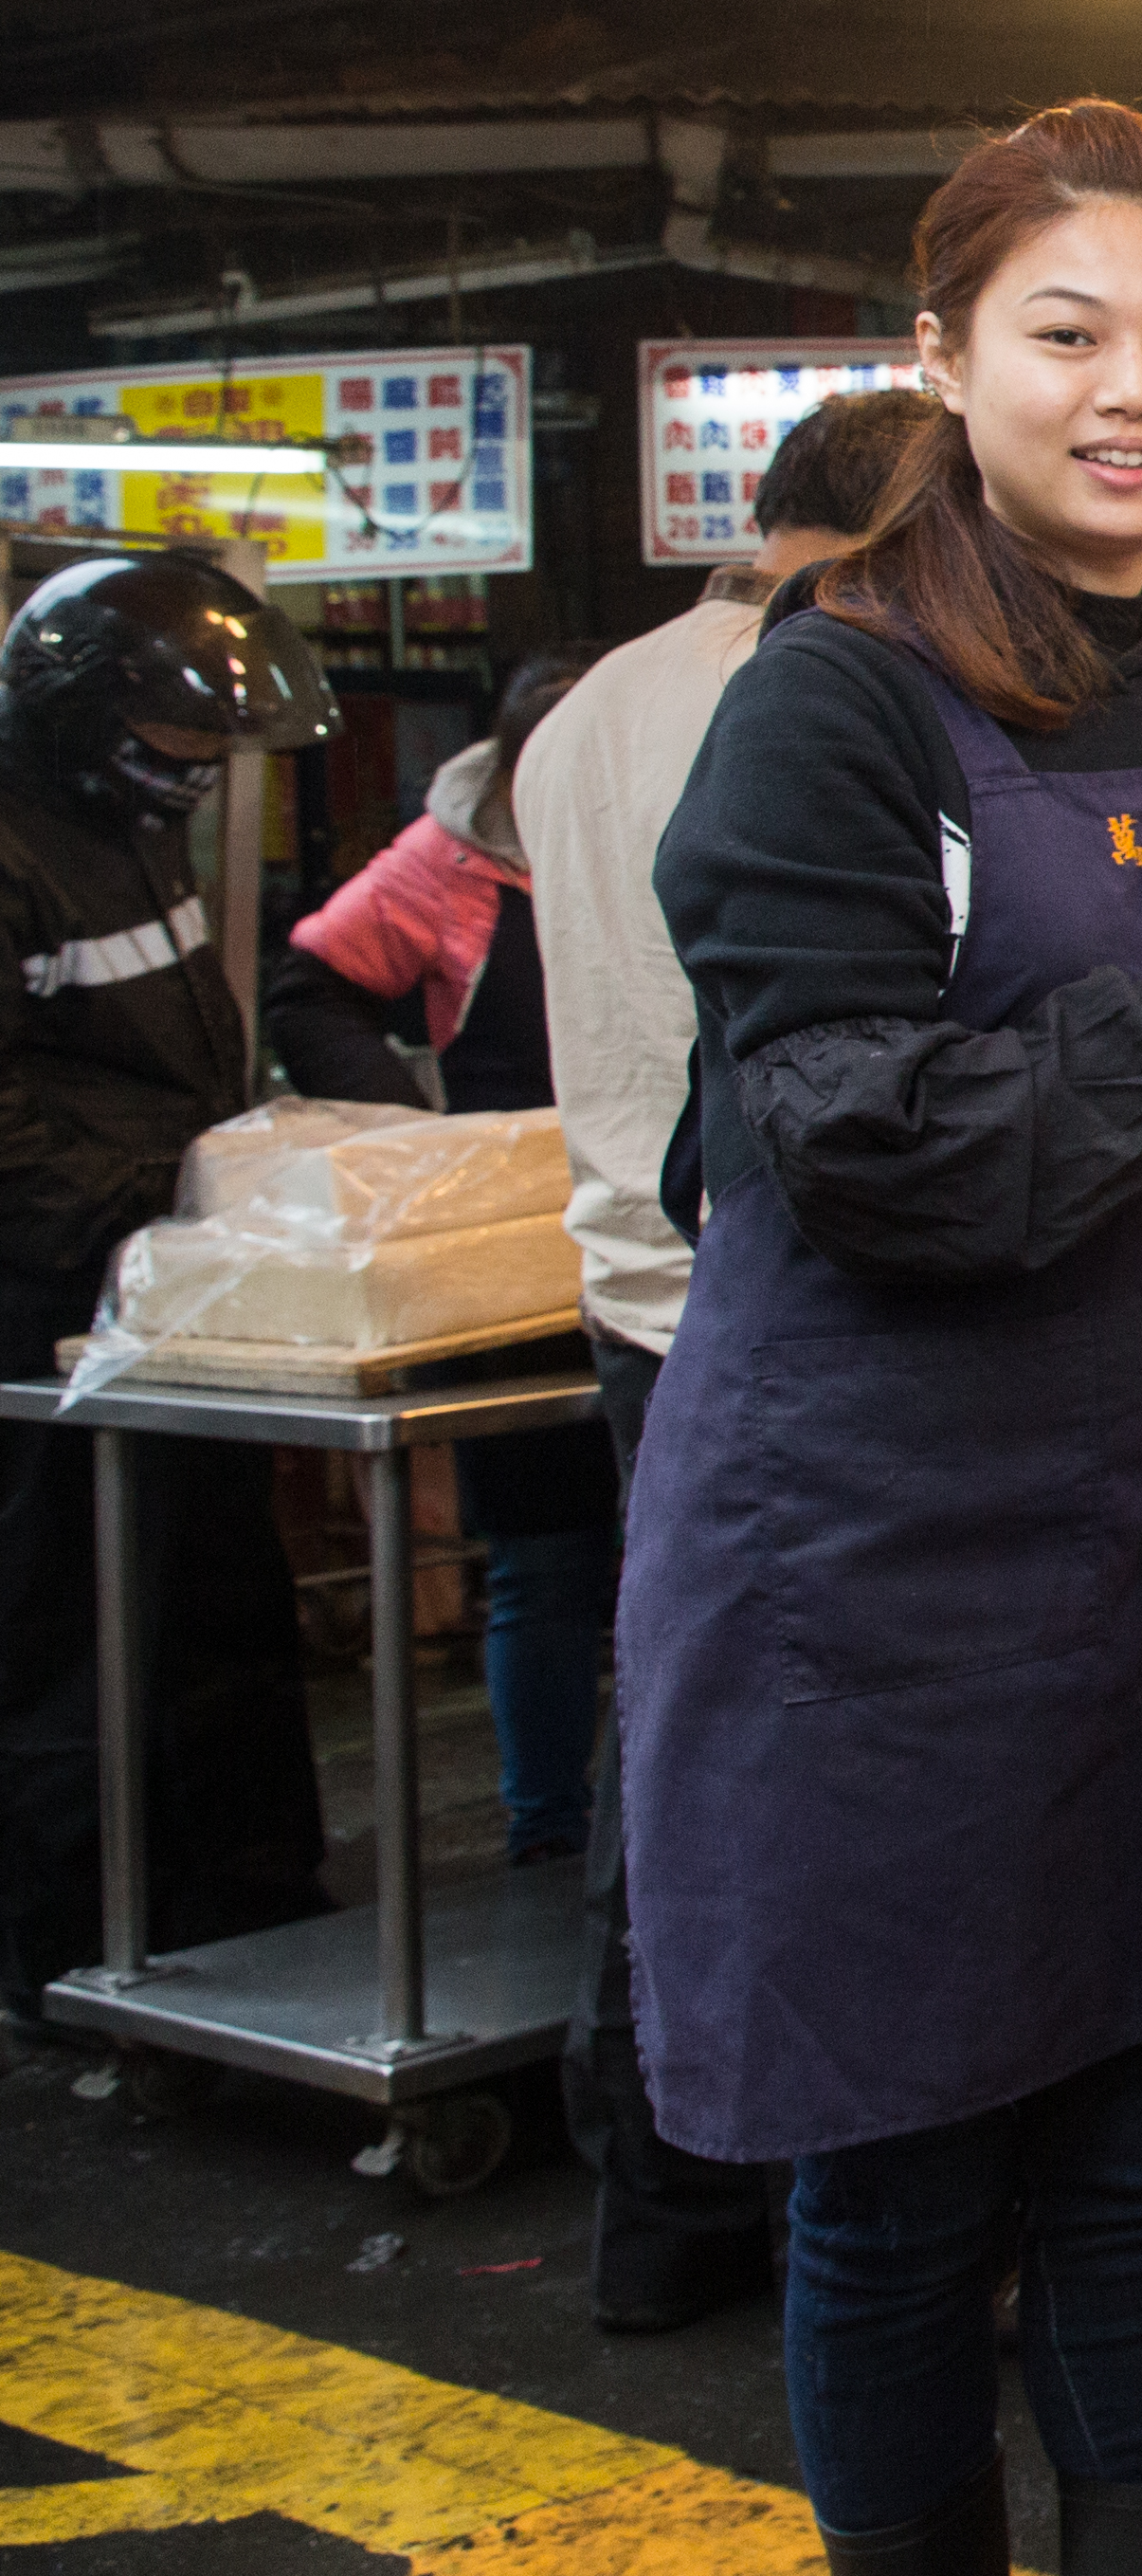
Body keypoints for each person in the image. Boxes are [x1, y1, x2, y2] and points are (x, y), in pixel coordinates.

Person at [628, 103, 1142, 2576]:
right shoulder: (829, 708)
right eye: (1068, 334)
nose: (1134, 390)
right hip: (879, 1558)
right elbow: (873, 1155)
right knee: (902, 2173)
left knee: (1136, 2152)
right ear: (946, 355)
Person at [514, 379, 939, 2332]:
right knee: (770, 1763)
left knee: (661, 1720)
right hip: (783, 1297)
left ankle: (661, 2208)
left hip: (624, 1275)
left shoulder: (591, 704)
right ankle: (797, 2208)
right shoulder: (823, 697)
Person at [0, 553, 337, 2030]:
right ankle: (66, 1951)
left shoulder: (123, 829)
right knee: (70, 1640)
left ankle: (249, 1916)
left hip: (177, 1292)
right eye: (180, 745)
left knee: (219, 1611)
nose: (199, 774)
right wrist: (141, 1207)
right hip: (55, 1301)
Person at [266, 641, 611, 1873]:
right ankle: (547, 1840)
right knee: (548, 1559)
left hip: (674, 1235)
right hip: (512, 1259)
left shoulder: (680, 825)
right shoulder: (447, 858)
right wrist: (421, 1142)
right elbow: (308, 987)